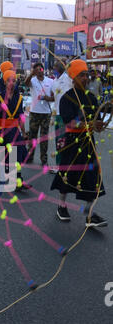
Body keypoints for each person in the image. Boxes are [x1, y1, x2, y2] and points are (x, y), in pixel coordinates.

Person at [51, 59, 107, 227]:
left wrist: (98, 125)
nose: (85, 78)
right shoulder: (66, 98)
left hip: (88, 143)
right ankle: (61, 206)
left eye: (86, 74)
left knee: (92, 177)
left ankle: (90, 215)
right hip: (72, 143)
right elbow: (69, 123)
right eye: (81, 75)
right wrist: (90, 124)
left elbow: (96, 122)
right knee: (67, 175)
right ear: (73, 77)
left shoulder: (91, 98)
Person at [0, 69, 30, 191]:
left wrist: (24, 132)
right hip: (2, 131)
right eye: (9, 80)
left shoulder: (19, 98)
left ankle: (17, 181)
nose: (12, 83)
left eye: (14, 80)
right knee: (2, 156)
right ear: (4, 82)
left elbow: (20, 116)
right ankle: (0, 177)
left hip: (14, 131)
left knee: (17, 156)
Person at [25, 62, 54, 166]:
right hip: (34, 112)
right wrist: (31, 74)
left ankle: (44, 159)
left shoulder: (50, 81)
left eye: (40, 69)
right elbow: (26, 83)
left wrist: (46, 98)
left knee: (44, 138)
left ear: (43, 69)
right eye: (36, 70)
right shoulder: (32, 80)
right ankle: (30, 157)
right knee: (32, 137)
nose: (39, 71)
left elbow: (53, 97)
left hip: (46, 113)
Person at [49, 59, 73, 174]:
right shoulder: (55, 81)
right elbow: (53, 96)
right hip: (57, 114)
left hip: (65, 114)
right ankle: (60, 165)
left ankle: (64, 166)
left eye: (55, 67)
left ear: (60, 68)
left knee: (64, 140)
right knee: (59, 141)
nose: (53, 70)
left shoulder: (68, 79)